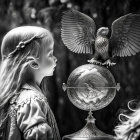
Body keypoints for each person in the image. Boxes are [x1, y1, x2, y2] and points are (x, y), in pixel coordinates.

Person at [0, 26, 60, 140]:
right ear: (34, 64)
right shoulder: (31, 99)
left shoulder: (21, 96)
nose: (55, 58)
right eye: (50, 54)